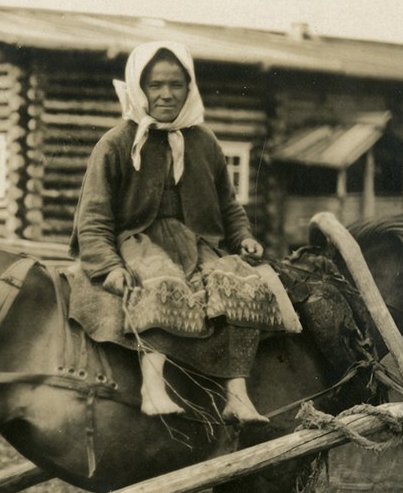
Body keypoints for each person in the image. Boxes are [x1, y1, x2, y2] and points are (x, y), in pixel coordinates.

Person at [71, 41, 282, 424]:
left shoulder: (205, 142)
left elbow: (229, 206)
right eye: (154, 85)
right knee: (162, 282)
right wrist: (108, 265)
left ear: (189, 88)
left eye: (176, 84)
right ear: (138, 88)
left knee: (243, 285)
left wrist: (243, 238)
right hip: (139, 241)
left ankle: (236, 394)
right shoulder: (116, 145)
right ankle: (152, 390)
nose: (166, 94)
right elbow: (94, 218)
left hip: (198, 242)